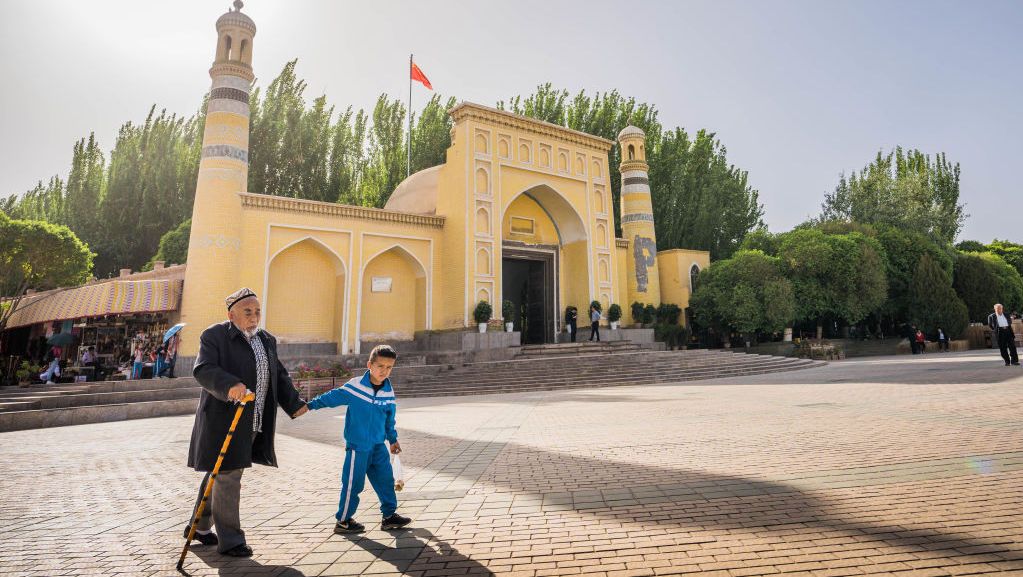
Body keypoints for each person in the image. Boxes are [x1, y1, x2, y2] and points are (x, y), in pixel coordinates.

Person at [184, 287, 309, 557]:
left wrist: (294, 404)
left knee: (219, 472)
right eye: (247, 312)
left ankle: (199, 528)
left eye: (257, 312)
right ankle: (231, 541)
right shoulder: (214, 336)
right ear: (232, 315)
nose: (254, 317)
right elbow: (203, 369)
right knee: (228, 474)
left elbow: (278, 374)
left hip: (254, 420)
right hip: (224, 419)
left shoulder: (266, 340)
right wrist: (230, 385)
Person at [305, 344, 413, 534]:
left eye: (389, 367)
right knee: (354, 483)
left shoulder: (388, 391)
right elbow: (332, 397)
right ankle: (343, 520)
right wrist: (309, 406)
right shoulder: (356, 386)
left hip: (379, 446)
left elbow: (390, 419)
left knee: (386, 480)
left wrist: (393, 439)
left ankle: (389, 516)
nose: (384, 371)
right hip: (358, 446)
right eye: (380, 366)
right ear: (369, 364)